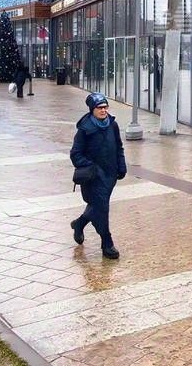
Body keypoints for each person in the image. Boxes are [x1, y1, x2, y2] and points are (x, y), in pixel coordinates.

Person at [69, 93, 127, 259]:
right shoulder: (85, 129)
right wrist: (91, 167)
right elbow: (75, 154)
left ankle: (79, 224)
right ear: (92, 109)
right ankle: (107, 243)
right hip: (93, 178)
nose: (103, 110)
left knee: (97, 206)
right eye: (99, 108)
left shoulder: (112, 125)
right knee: (102, 208)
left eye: (105, 107)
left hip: (110, 175)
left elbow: (119, 147)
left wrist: (121, 165)